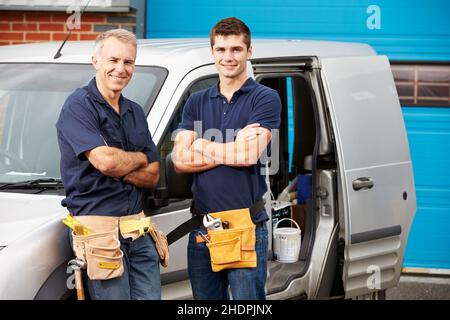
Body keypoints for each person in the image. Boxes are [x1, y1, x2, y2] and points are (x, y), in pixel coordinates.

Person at [172, 17, 281, 300]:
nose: (228, 57)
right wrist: (231, 146)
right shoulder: (196, 101)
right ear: (212, 52)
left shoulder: (265, 98)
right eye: (221, 50)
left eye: (235, 49)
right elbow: (180, 160)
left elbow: (247, 156)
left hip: (246, 226)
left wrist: (202, 144)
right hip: (202, 229)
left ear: (249, 51)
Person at [56, 29, 161, 300]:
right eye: (113, 60)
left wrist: (119, 163)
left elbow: (153, 174)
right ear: (96, 61)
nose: (120, 69)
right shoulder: (78, 106)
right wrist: (137, 158)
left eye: (128, 62)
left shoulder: (135, 111)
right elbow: (105, 162)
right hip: (98, 233)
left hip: (137, 229)